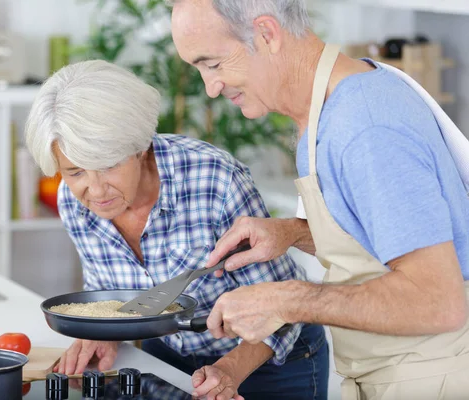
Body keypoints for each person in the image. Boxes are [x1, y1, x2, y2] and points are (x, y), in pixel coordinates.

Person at [169, 0, 469, 399]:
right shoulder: (330, 106)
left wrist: (286, 300)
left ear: (266, 33)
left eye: (214, 64)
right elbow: (382, 239)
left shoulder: (365, 127)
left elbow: (437, 301)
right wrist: (293, 233)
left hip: (430, 379)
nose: (211, 87)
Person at [24, 59, 329, 400]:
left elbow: (281, 308)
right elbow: (109, 293)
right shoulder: (73, 202)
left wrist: (228, 370)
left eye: (108, 166)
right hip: (170, 359)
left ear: (139, 147)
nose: (95, 191)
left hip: (271, 363)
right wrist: (104, 335)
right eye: (75, 171)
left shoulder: (215, 179)